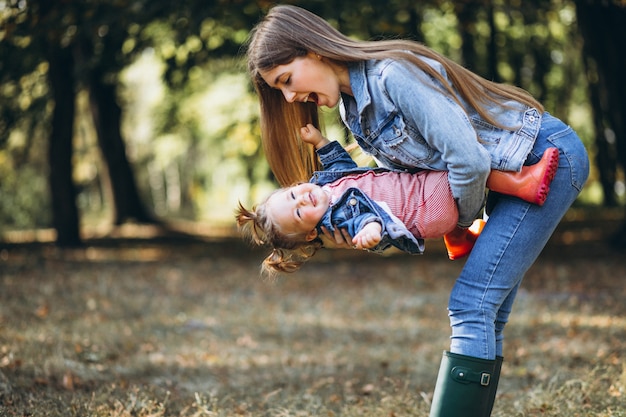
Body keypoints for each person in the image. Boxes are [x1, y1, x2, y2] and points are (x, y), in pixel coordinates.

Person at [245, 5, 589, 417]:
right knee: (486, 311)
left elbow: (468, 161)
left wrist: (456, 220)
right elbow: (398, 190)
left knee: (471, 304)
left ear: (314, 50)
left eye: (287, 80)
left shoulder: (392, 76)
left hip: (543, 155)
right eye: (278, 90)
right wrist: (365, 229)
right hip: (508, 170)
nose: (289, 98)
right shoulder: (351, 111)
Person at [237, 124, 559, 272]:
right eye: (297, 213)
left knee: (441, 170)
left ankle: (457, 236)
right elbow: (364, 218)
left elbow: (341, 167)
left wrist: (321, 142)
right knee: (459, 164)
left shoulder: (325, 189)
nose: (302, 200)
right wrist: (371, 231)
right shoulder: (337, 218)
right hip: (424, 209)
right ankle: (522, 184)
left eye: (294, 194)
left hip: (419, 197)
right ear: (310, 232)